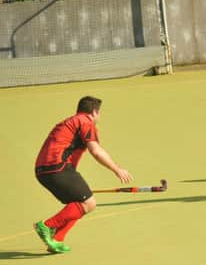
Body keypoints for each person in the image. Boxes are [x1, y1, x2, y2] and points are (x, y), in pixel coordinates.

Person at [33, 96, 133, 253]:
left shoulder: (69, 122)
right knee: (89, 203)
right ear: (94, 112)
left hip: (42, 171)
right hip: (58, 168)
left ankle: (57, 239)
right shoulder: (86, 122)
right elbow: (96, 150)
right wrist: (117, 169)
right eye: (99, 113)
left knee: (79, 202)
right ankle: (47, 226)